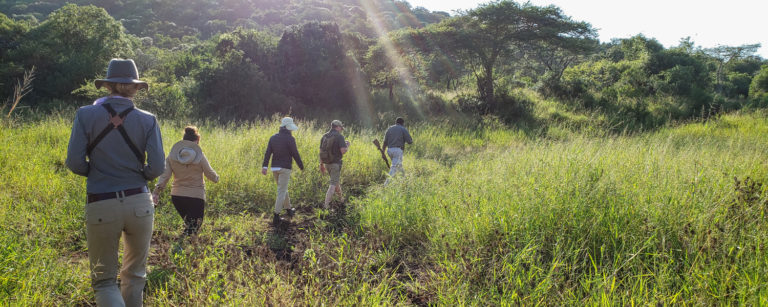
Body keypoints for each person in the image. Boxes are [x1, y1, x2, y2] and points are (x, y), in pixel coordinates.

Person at [66, 59, 165, 307]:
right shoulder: (148, 119)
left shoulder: (85, 115)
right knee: (135, 275)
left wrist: (96, 172)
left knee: (104, 282)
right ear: (136, 88)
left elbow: (75, 163)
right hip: (140, 203)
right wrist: (139, 174)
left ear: (108, 85)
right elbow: (156, 168)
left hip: (102, 202)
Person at [152, 126, 219, 240]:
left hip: (177, 197)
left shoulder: (172, 157)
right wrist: (216, 178)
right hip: (196, 197)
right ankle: (178, 246)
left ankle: (180, 245)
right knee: (193, 228)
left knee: (190, 226)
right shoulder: (200, 156)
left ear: (183, 140)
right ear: (197, 141)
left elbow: (164, 176)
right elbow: (210, 174)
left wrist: (156, 192)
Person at [262, 117, 304, 224]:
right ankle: (276, 216)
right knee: (281, 191)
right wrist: (301, 166)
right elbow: (295, 154)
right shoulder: (290, 139)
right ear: (287, 128)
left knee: (282, 189)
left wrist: (264, 166)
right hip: (285, 168)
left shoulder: (273, 138)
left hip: (274, 168)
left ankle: (289, 209)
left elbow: (268, 153)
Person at [319, 120, 349, 209]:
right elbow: (343, 151)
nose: (341, 130)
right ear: (338, 127)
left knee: (336, 182)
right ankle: (326, 206)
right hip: (335, 164)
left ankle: (341, 200)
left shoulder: (324, 136)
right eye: (341, 128)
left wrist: (321, 165)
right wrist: (347, 145)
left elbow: (321, 152)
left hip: (327, 163)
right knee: (332, 184)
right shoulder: (339, 136)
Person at [382, 117, 413, 185]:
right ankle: (386, 185)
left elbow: (385, 142)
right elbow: (410, 141)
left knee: (399, 167)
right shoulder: (403, 129)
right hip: (397, 151)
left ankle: (405, 182)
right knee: (394, 167)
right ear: (402, 123)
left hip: (389, 150)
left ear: (396, 122)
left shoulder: (389, 129)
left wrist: (383, 153)